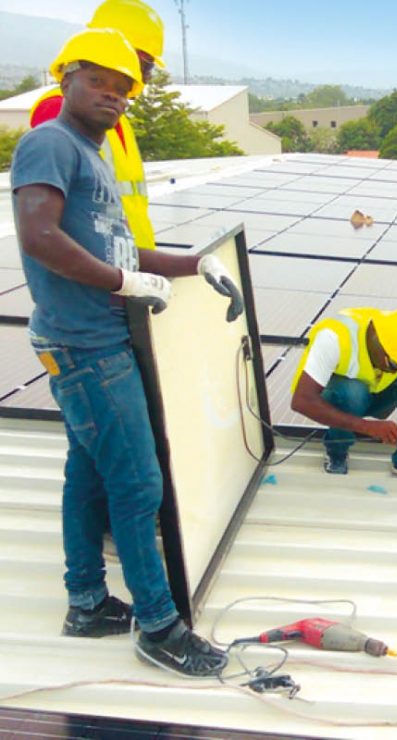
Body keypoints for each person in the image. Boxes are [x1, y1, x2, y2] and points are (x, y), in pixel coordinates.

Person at [10, 28, 243, 677]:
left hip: (94, 336)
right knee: (137, 483)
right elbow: (37, 235)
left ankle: (87, 604)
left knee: (87, 478)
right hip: (86, 344)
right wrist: (121, 285)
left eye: (123, 91)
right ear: (67, 80)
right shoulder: (50, 142)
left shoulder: (93, 152)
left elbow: (122, 253)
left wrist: (196, 265)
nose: (112, 97)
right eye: (99, 84)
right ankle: (160, 626)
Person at [29, 0, 165, 252]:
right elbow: (52, 225)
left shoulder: (117, 118)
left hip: (129, 269)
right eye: (146, 64)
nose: (147, 76)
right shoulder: (58, 108)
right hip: (95, 278)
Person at [290, 306, 397, 480]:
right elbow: (302, 401)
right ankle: (336, 451)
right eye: (395, 366)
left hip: (378, 395)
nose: (396, 371)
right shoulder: (334, 337)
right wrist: (367, 427)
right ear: (377, 342)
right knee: (353, 392)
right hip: (343, 400)